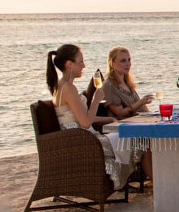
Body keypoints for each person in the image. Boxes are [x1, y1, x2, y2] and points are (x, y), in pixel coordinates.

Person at [46, 44, 136, 190]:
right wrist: (95, 99)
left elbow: (79, 117)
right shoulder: (68, 88)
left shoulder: (60, 85)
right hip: (82, 142)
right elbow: (85, 122)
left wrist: (108, 119)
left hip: (78, 136)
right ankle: (130, 179)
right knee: (131, 139)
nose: (84, 65)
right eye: (81, 61)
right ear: (70, 64)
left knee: (124, 136)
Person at [101, 46, 155, 179]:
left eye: (129, 60)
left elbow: (143, 110)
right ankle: (156, 181)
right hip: (121, 127)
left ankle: (163, 175)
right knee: (146, 143)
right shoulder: (108, 85)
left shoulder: (127, 82)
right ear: (112, 64)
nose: (128, 64)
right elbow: (119, 112)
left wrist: (154, 117)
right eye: (123, 61)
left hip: (138, 123)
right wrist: (140, 103)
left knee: (163, 137)